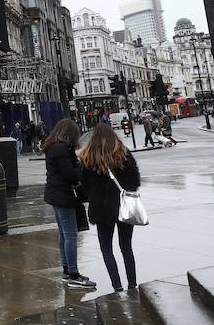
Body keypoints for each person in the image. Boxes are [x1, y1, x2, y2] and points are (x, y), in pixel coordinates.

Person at [80, 123, 141, 292]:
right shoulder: (124, 155)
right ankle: (132, 283)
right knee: (126, 246)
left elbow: (84, 186)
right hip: (124, 207)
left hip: (101, 208)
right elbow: (135, 181)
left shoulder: (87, 158)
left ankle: (117, 286)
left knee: (106, 249)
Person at [43, 118, 96, 288]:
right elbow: (70, 175)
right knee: (71, 235)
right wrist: (82, 165)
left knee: (64, 234)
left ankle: (67, 271)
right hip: (64, 196)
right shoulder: (62, 149)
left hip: (55, 194)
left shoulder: (53, 146)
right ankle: (73, 274)